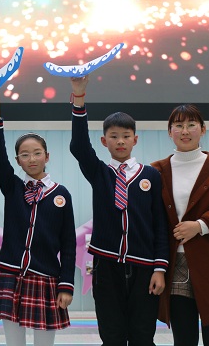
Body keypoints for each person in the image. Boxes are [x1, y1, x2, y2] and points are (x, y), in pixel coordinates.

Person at [69, 76, 169, 346]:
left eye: (126, 136)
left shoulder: (151, 175)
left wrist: (160, 268)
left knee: (142, 336)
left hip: (144, 266)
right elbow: (79, 147)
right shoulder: (99, 173)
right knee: (111, 336)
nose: (120, 141)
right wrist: (79, 99)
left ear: (135, 139)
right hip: (106, 266)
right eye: (114, 136)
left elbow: (160, 224)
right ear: (104, 141)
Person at [0, 91, 76, 346]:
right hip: (11, 277)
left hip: (46, 278)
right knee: (14, 343)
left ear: (47, 156)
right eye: (25, 155)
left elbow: (68, 244)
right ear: (17, 161)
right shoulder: (13, 186)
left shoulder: (61, 194)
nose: (32, 159)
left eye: (37, 153)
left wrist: (66, 285)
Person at [150, 104, 209, 346]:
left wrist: (200, 225)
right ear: (169, 132)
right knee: (184, 340)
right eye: (178, 125)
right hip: (176, 265)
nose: (185, 131)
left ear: (203, 130)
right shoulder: (156, 171)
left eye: (191, 125)